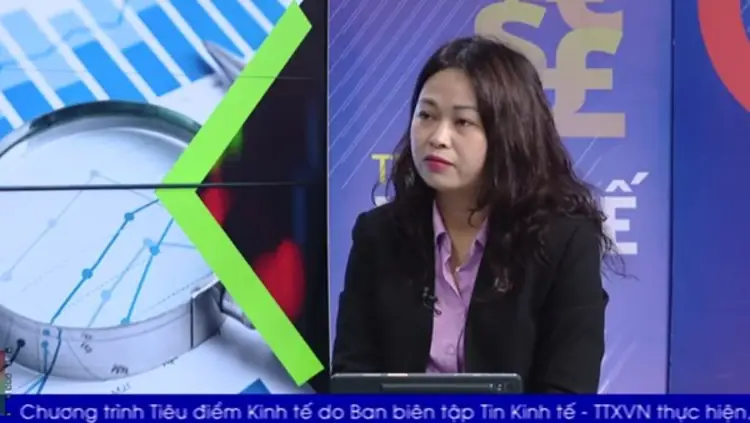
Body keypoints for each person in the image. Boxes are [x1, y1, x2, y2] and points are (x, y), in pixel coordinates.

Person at [331, 36, 618, 394]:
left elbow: (567, 394)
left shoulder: (564, 242)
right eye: (426, 115)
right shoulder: (378, 234)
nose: (438, 137)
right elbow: (353, 376)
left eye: (463, 122)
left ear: (509, 133)